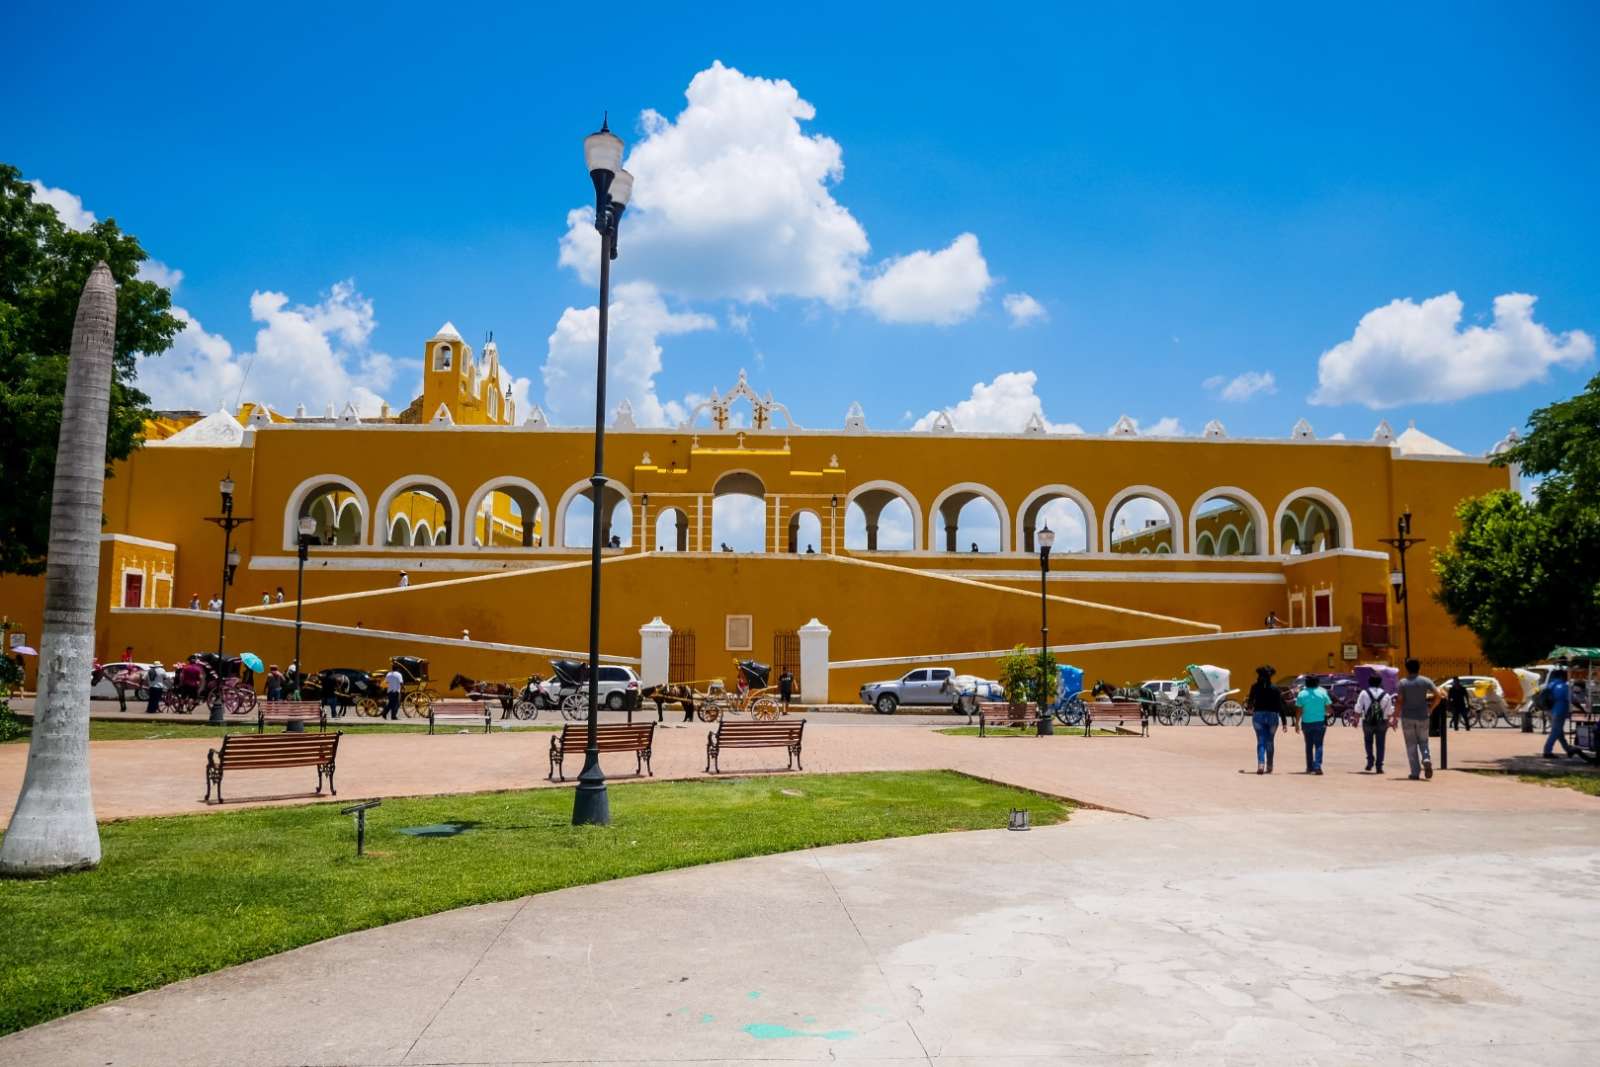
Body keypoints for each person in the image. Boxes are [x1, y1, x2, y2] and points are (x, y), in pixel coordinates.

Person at [1394, 658, 1438, 780]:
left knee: (1411, 745)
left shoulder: (1402, 683)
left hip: (1407, 717)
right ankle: (1426, 758)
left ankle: (1415, 772)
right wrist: (1431, 709)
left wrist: (1395, 716)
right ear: (1419, 667)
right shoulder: (1426, 681)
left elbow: (1399, 701)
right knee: (1424, 741)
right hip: (1423, 716)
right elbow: (1438, 695)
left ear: (1407, 668)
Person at [1246, 665, 1285, 774]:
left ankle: (1261, 764)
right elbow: (1280, 706)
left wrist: (1250, 709)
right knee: (1270, 741)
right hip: (1273, 716)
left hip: (1258, 716)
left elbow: (1250, 702)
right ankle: (1270, 765)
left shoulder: (1254, 687)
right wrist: (1285, 722)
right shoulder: (1275, 689)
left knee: (1261, 741)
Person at [1295, 675, 1331, 774]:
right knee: (1319, 745)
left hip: (1306, 723)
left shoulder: (1301, 694)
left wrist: (1297, 723)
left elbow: (1298, 710)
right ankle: (1317, 766)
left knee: (1309, 745)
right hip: (1320, 722)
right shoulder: (1323, 693)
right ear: (1317, 683)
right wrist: (1326, 712)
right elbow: (1329, 709)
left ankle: (1310, 767)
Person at [1355, 675, 1390, 773]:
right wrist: (1390, 722)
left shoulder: (1364, 693)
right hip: (1382, 722)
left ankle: (1370, 761)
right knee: (1381, 744)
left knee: (1368, 741)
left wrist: (1356, 719)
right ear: (1380, 683)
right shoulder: (1386, 694)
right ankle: (1379, 766)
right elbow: (1388, 711)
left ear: (1369, 682)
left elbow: (1358, 707)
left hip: (1368, 721)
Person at [1543, 668, 1577, 758]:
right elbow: (1573, 700)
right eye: (1566, 676)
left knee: (1559, 733)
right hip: (1559, 711)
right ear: (1562, 676)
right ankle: (1547, 752)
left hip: (1549, 711)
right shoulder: (1563, 686)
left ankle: (1568, 749)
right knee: (1555, 732)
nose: (1567, 678)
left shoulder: (1550, 684)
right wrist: (1582, 709)